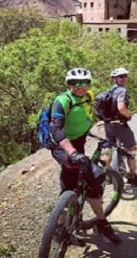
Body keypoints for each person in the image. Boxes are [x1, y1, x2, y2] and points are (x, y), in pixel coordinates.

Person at [49, 68, 122, 244]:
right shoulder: (62, 101)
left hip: (79, 141)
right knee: (90, 176)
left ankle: (66, 221)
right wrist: (72, 152)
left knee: (75, 180)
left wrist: (103, 136)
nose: (81, 86)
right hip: (61, 145)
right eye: (75, 83)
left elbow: (90, 117)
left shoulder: (88, 96)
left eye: (85, 82)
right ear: (68, 84)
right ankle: (100, 223)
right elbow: (55, 129)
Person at [102, 68, 137, 188]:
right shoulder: (122, 91)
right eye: (121, 76)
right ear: (115, 79)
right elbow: (121, 107)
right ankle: (133, 177)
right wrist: (128, 115)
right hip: (120, 125)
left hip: (108, 124)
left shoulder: (109, 91)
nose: (124, 78)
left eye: (125, 76)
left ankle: (106, 174)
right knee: (131, 149)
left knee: (108, 148)